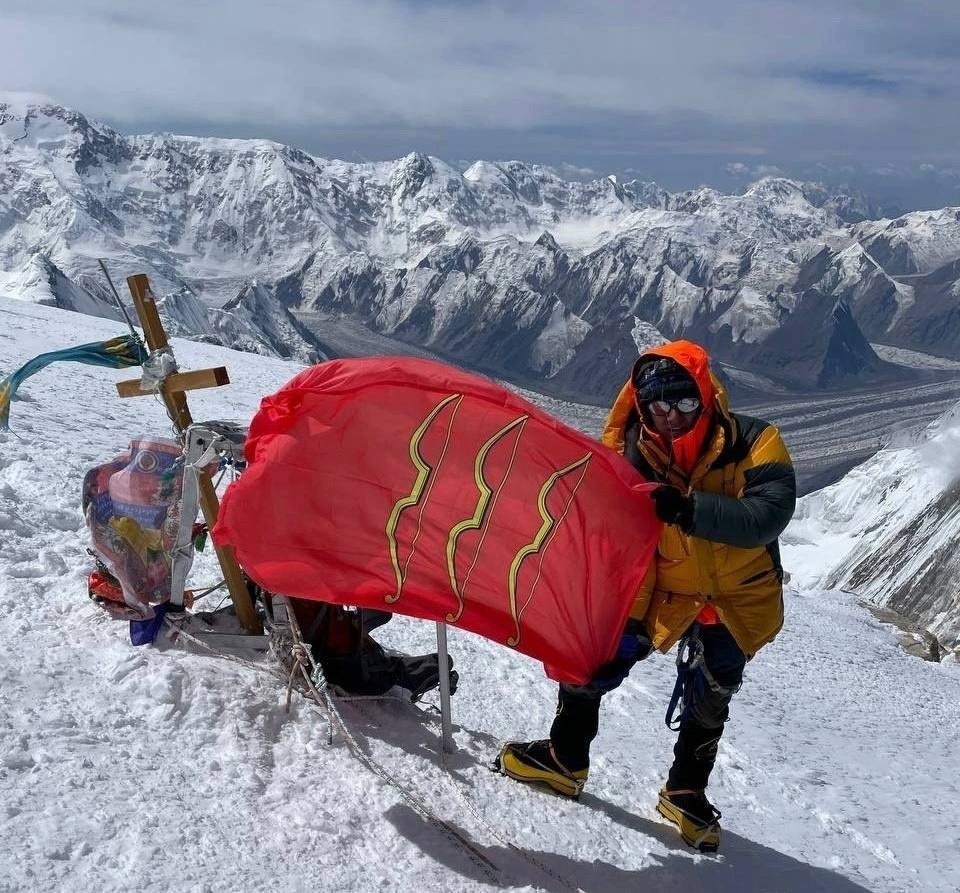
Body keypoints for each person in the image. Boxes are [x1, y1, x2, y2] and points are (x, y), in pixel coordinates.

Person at [496, 339, 796, 853]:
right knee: (592, 656)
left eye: (684, 402)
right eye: (659, 406)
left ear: (706, 396)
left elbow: (768, 514)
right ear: (641, 406)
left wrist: (686, 508)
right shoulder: (629, 456)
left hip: (735, 597)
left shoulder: (757, 441)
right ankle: (566, 758)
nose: (672, 416)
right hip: (664, 590)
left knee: (713, 696)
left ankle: (686, 790)